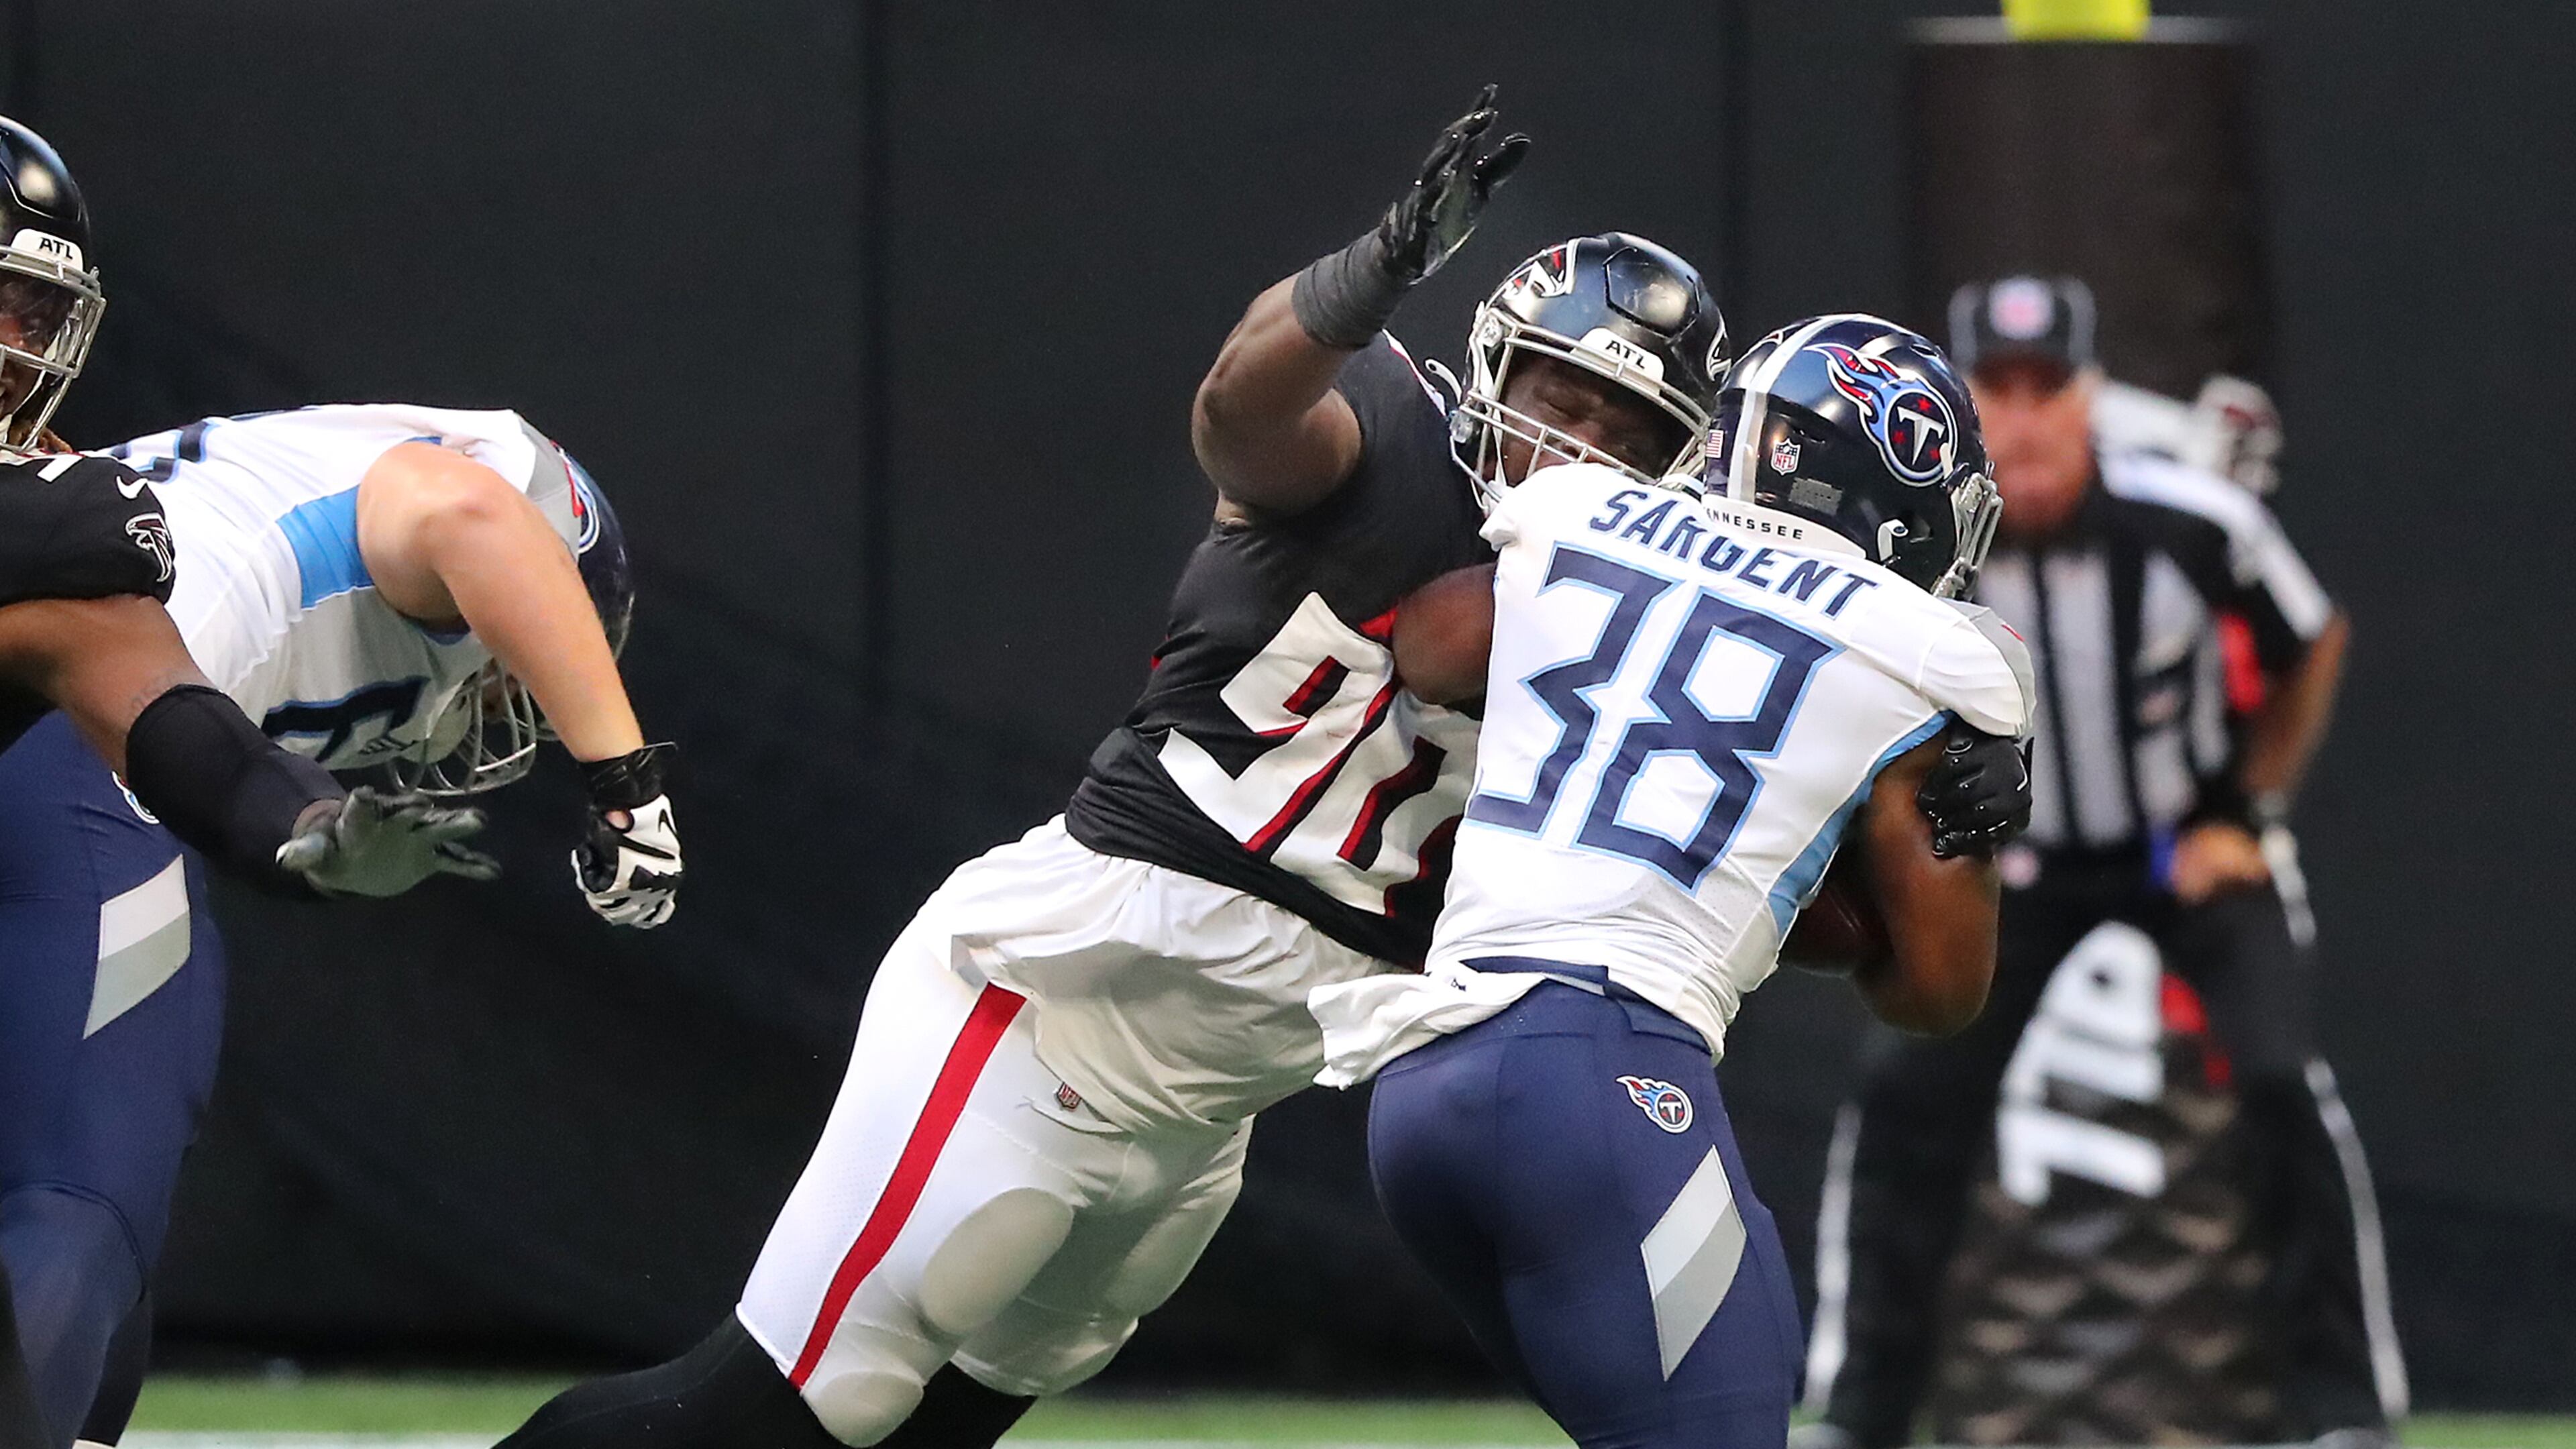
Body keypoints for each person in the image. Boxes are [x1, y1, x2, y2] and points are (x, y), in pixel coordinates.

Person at [492, 88, 1794, 1449]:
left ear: (1680, 463)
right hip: (1047, 1002)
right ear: (1491, 376)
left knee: (927, 1440)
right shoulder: (1384, 431)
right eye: (1558, 399)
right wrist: (1371, 274)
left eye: (1627, 430)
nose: (1581, 444)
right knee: (778, 1414)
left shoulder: (1640, 628)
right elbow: (1240, 410)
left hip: (1205, 1114)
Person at [1308, 315, 2031, 1449]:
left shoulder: (1578, 511)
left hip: (1421, 1086)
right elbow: (1939, 991)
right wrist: (1981, 789)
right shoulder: (1936, 653)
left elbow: (1436, 649)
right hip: (1598, 1079)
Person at [0, 399, 679, 1449]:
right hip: (74, 754)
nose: (515, 692)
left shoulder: (175, 508)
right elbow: (467, 509)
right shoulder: (435, 493)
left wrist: (305, 827)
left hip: (77, 741)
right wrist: (625, 780)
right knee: (83, 1193)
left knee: (95, 1220)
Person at [1801, 276, 2397, 1449]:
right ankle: (1861, 1412)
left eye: (2048, 389)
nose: (2024, 421)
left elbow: (2311, 637)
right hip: (2016, 870)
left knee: (2282, 1082)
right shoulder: (1918, 544)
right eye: (1998, 392)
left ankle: (2343, 1415)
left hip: (2184, 854)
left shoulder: (2191, 522)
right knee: (1906, 1100)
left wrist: (2247, 806)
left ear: (2091, 400)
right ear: (1963, 406)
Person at [0, 114, 500, 1449]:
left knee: (76, 1218)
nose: (7, 343)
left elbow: (179, 727)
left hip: (48, 827)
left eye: (21, 306)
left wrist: (310, 833)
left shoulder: (53, 530)